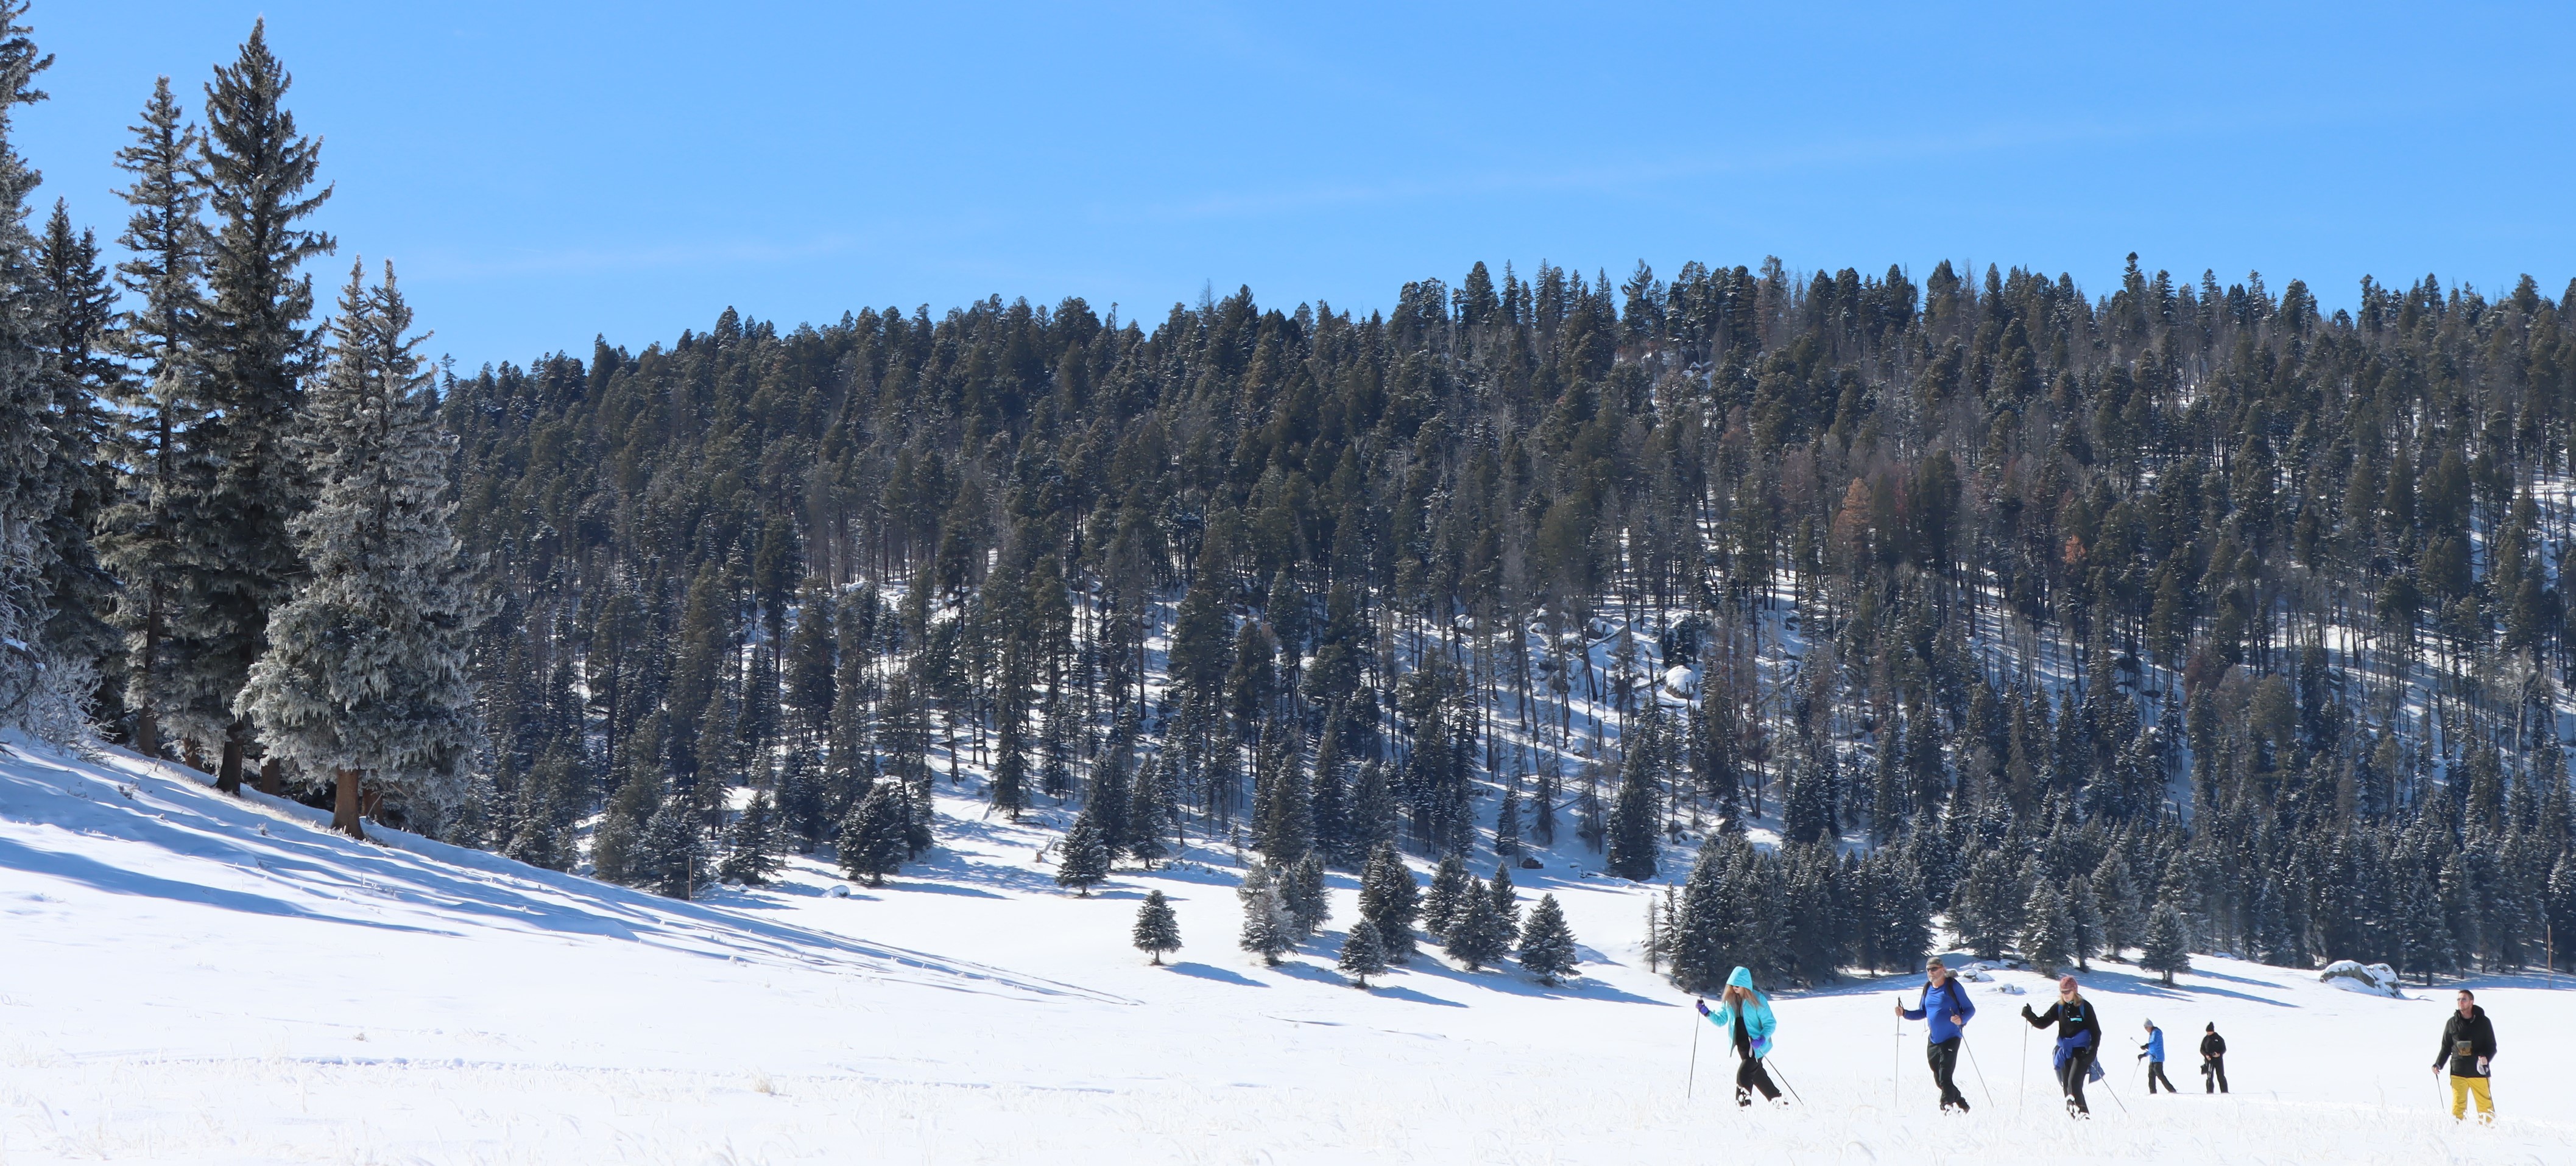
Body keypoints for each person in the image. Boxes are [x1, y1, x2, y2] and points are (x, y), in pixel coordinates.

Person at [1896, 957, 1977, 1111]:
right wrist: (1904, 1013)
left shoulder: (1953, 987)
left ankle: (1946, 1106)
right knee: (1939, 1081)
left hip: (1952, 1037)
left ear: (1943, 969)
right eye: (1928, 969)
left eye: (1934, 969)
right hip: (1934, 1040)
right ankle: (1962, 1103)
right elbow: (1922, 1012)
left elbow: (1970, 1009)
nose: (1931, 972)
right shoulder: (1927, 988)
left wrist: (1961, 1019)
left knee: (1945, 1077)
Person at [1696, 966, 1782, 1107]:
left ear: (1745, 985)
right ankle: (1780, 1102)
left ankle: (1743, 1108)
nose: (1735, 988)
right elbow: (1720, 1020)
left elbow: (1770, 1023)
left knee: (1743, 1075)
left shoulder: (1758, 1000)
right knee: (1758, 1077)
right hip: (1742, 1046)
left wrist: (1762, 1038)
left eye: (1738, 985)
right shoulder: (1729, 1001)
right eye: (1732, 985)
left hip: (1756, 1047)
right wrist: (1705, 1012)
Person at [2022, 975, 2104, 1117]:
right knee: (2067, 1087)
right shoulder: (2060, 1007)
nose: (2064, 995)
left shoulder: (2085, 1007)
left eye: (2067, 991)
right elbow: (2043, 1023)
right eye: (2062, 991)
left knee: (2074, 1084)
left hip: (2082, 1052)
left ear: (2075, 990)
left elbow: (2096, 1032)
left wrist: (2092, 1052)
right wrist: (2030, 1016)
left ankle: (2084, 1119)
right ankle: (2074, 1118)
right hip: (2066, 1051)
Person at [2432, 989, 2497, 1123]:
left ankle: (2490, 1135)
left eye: (2464, 999)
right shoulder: (2452, 1022)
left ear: (2472, 1002)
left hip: (2478, 1071)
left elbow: (2492, 1046)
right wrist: (2438, 1064)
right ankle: (2457, 1133)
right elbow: (2446, 1047)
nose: (2460, 1002)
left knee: (2485, 1106)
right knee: (2457, 1106)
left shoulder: (2484, 1022)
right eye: (2459, 1000)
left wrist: (2486, 1058)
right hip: (2458, 1070)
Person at [2139, 1019, 2175, 1094]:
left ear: (2149, 1026)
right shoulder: (2152, 1034)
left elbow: (2154, 1044)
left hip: (2158, 1058)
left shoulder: (2156, 1033)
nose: (2146, 1030)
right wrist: (2144, 1055)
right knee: (2151, 1075)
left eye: (2146, 1028)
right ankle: (2153, 1092)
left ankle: (2172, 1090)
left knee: (2159, 1074)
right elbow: (2152, 1049)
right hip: (2153, 1059)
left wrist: (2147, 1045)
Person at [2199, 1023, 2229, 1093]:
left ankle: (2225, 1092)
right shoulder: (2205, 1039)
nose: (2208, 1033)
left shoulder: (2219, 1038)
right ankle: (2210, 1092)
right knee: (2209, 1077)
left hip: (2218, 1060)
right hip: (2209, 1061)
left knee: (2221, 1076)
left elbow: (2224, 1049)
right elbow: (2202, 1049)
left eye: (2209, 1032)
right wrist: (2206, 1055)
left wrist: (2219, 1054)